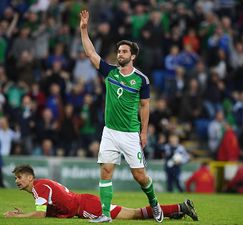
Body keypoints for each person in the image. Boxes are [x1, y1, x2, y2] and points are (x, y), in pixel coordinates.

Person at [79, 10, 164, 223]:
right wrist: (83, 30)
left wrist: (143, 133)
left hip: (130, 134)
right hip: (110, 131)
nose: (120, 54)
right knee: (106, 171)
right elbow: (91, 53)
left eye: (124, 51)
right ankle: (105, 214)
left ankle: (154, 203)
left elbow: (145, 107)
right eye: (119, 51)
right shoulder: (110, 72)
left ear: (132, 56)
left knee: (140, 177)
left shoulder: (141, 80)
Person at [4, 165, 198, 221]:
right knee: (134, 213)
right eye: (16, 178)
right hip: (84, 202)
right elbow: (51, 210)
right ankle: (176, 212)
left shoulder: (39, 188)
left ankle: (180, 206)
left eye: (20, 177)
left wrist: (19, 217)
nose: (17, 181)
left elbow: (40, 214)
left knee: (134, 214)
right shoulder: (40, 187)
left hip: (87, 207)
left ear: (30, 178)